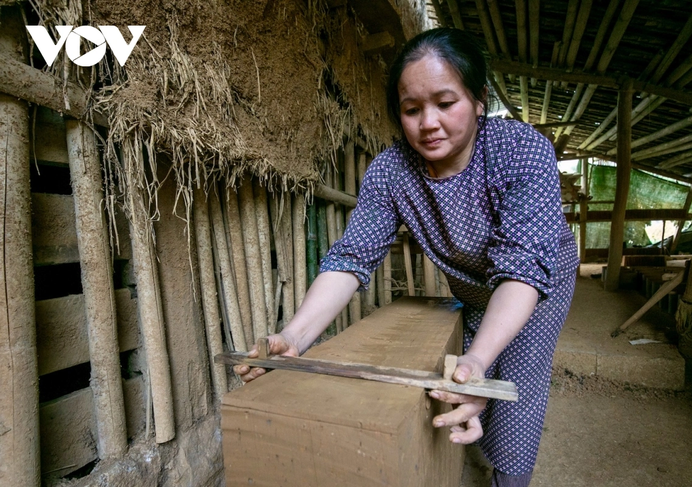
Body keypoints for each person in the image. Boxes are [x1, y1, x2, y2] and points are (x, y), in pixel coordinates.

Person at [234, 27, 579, 487]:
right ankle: (480, 428)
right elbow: (351, 258)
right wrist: (296, 335)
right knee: (474, 373)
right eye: (412, 109)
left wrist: (476, 364)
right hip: (471, 284)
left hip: (535, 282)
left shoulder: (522, 150)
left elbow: (520, 271)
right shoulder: (391, 171)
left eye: (445, 103)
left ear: (479, 99)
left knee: (518, 378)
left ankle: (509, 478)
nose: (428, 123)